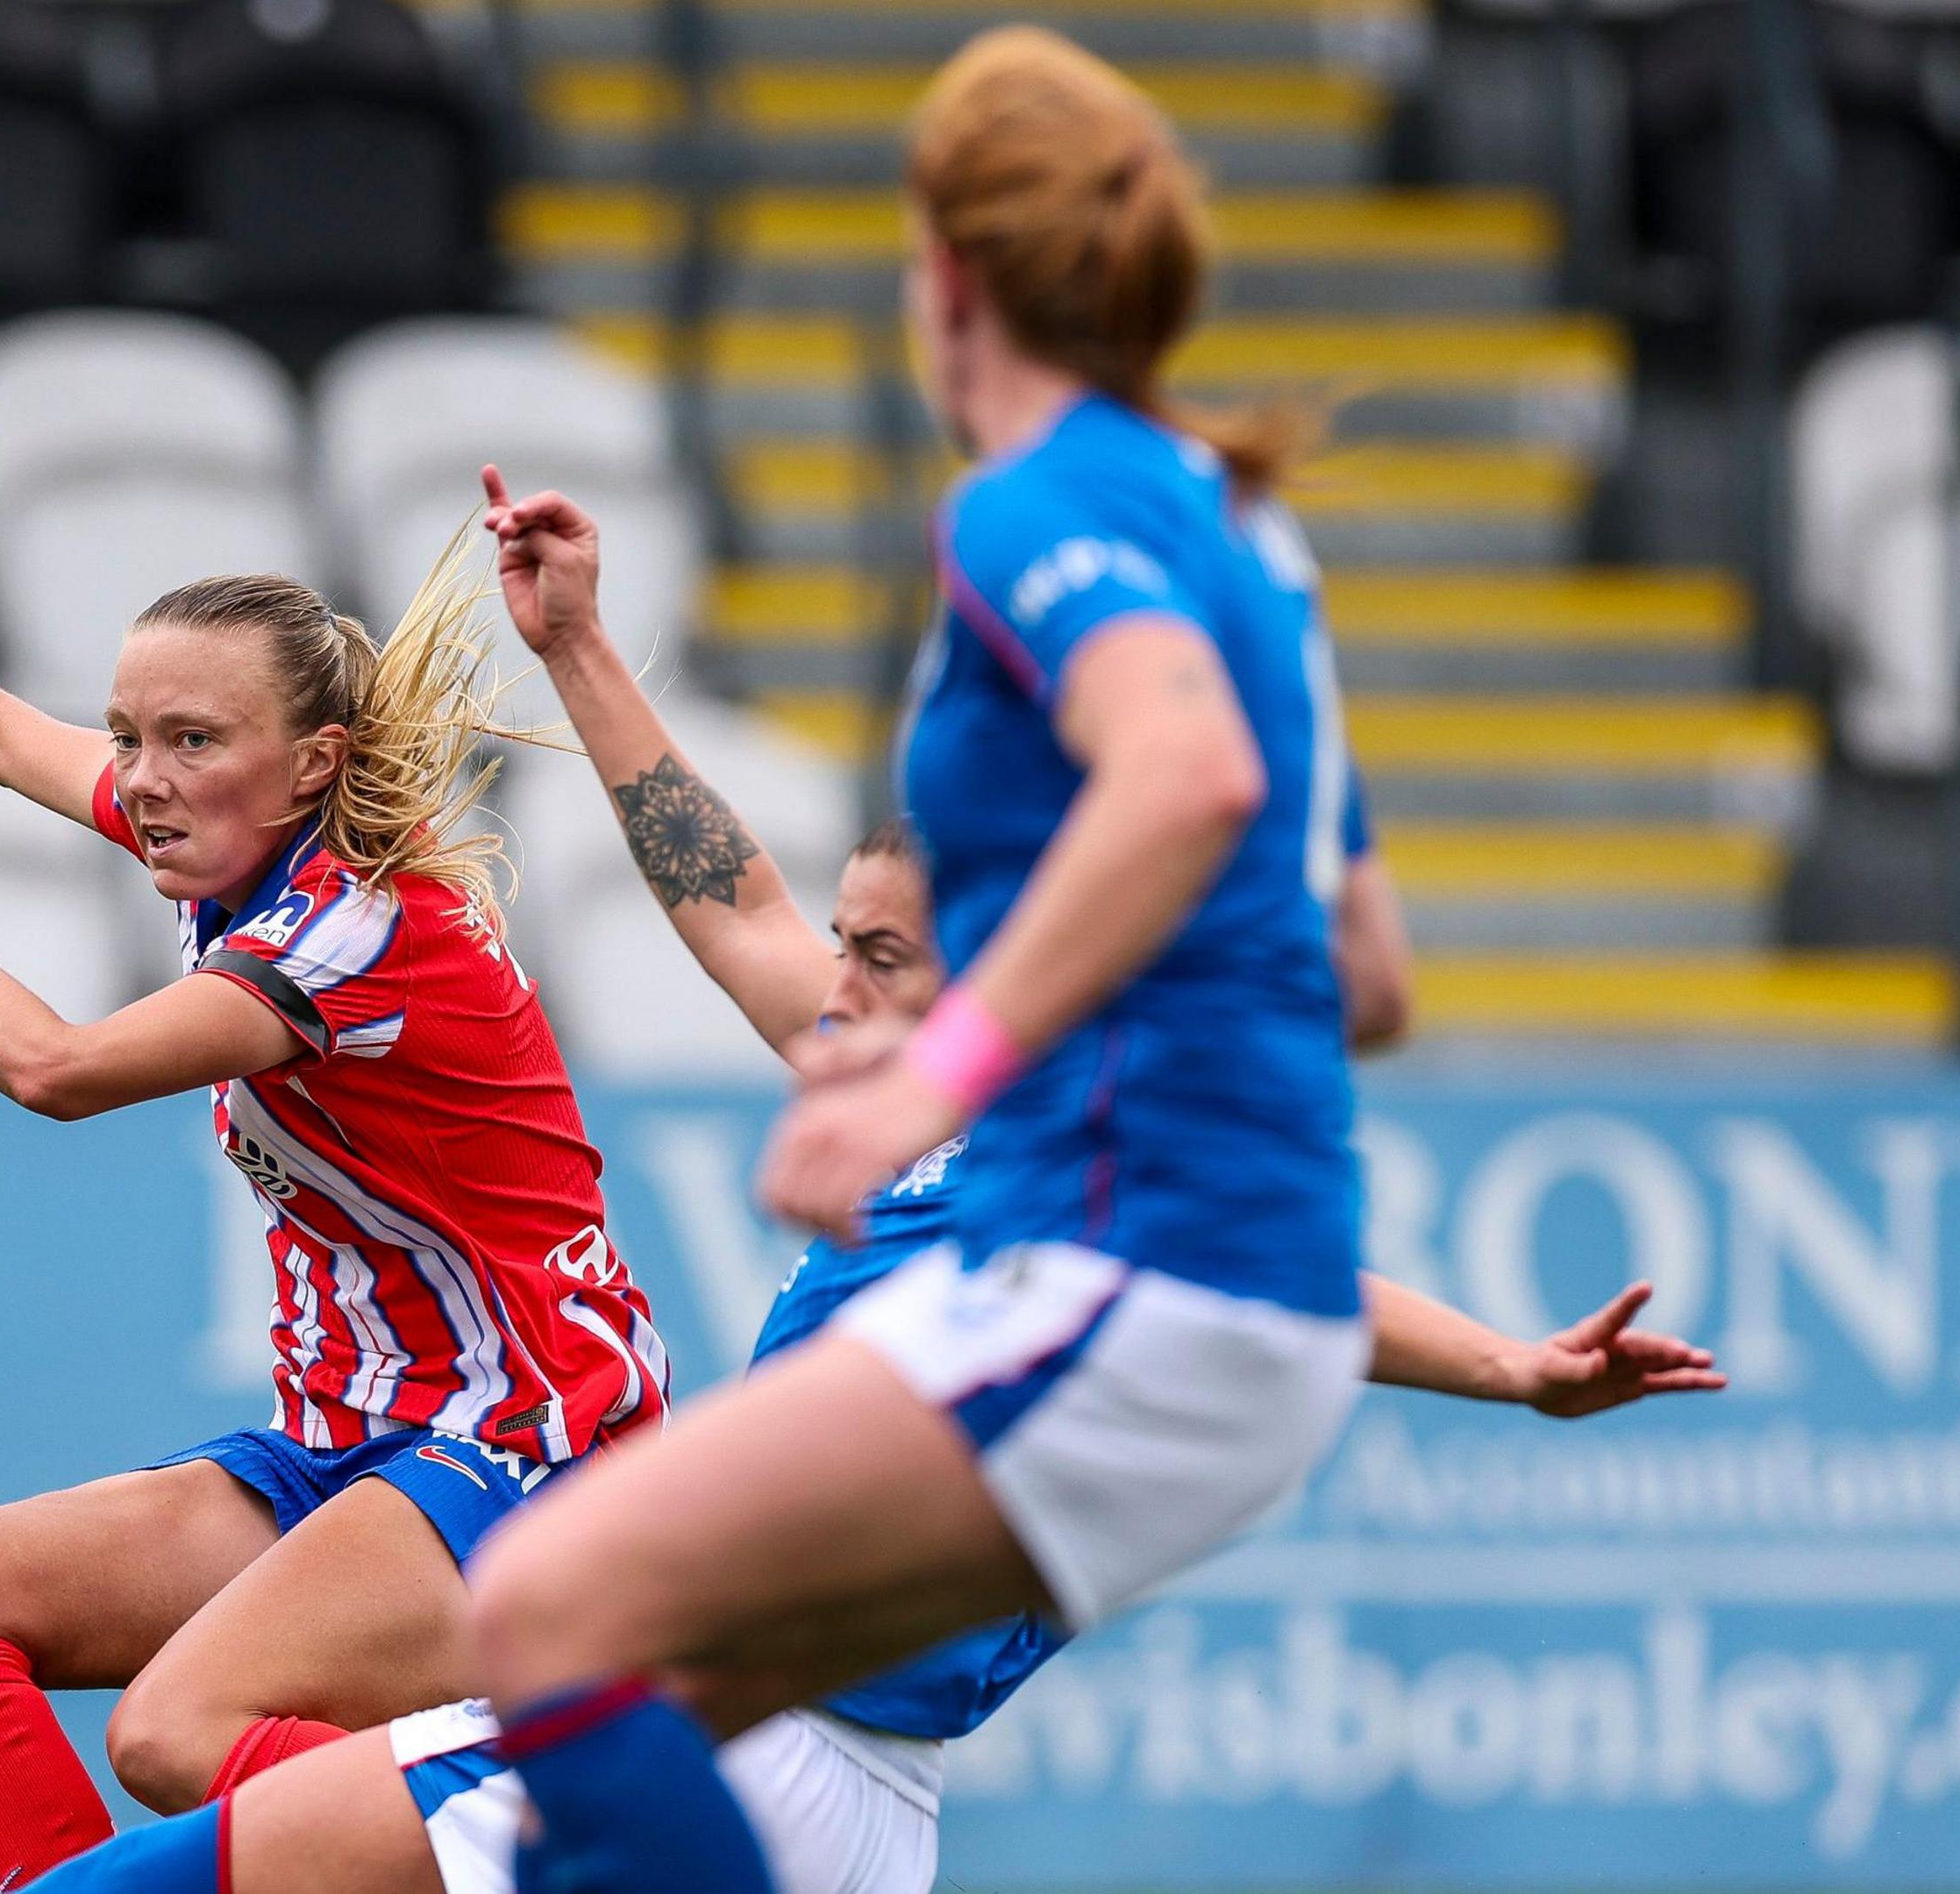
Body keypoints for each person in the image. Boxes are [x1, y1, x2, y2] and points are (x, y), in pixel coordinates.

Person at [0, 473, 1721, 1894]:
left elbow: (1303, 1286)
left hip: (768, 1762)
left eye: (885, 956)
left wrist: (1511, 1366)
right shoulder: (914, 1112)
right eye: (849, 946)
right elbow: (726, 894)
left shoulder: (1067, 1163)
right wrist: (583, 649)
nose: (834, 986)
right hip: (749, 1757)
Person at [437, 29, 1515, 1889]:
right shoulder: (1247, 533)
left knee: (546, 1613)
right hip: (1212, 1281)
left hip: (1133, 1269)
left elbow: (1185, 776)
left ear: (944, 275)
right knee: (615, 1716)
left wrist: (939, 1078)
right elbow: (1369, 975)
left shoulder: (1029, 506)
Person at [0, 435, 673, 1893]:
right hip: (358, 1445)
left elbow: (57, 1070)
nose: (142, 782)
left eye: (191, 742)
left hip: (536, 1447)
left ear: (313, 766)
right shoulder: (239, 851)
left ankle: (587, 1854)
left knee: (177, 1733)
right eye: (128, 736)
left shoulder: (352, 934)